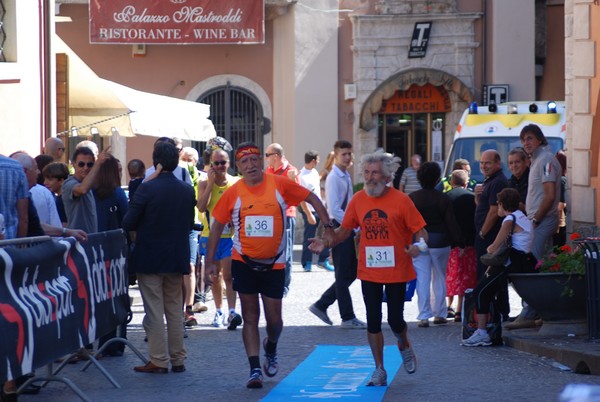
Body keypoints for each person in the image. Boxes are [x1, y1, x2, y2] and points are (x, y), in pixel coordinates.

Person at [205, 141, 332, 389]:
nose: (250, 165)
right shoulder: (234, 192)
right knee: (250, 317)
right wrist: (210, 262)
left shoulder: (279, 184)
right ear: (239, 167)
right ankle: (254, 369)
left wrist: (327, 227)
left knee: (275, 321)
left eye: (254, 159)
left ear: (261, 162)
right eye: (244, 161)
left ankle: (271, 347)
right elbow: (217, 225)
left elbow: (312, 198)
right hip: (244, 261)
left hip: (274, 264)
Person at [309, 150, 425, 386]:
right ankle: (379, 369)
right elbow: (344, 231)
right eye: (367, 172)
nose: (370, 177)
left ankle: (404, 343)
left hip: (397, 270)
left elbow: (421, 231)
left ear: (387, 177)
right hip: (369, 270)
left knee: (395, 320)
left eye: (376, 173)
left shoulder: (402, 201)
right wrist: (326, 241)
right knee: (373, 320)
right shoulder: (359, 200)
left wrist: (419, 246)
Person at [123, 141, 196, 374]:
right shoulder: (187, 190)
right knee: (174, 310)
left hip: (150, 256)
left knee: (154, 310)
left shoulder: (147, 188)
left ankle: (158, 359)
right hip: (176, 256)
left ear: (157, 162)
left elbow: (128, 221)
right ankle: (178, 358)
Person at [506, 124, 562, 330]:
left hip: (541, 220)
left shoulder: (545, 160)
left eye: (530, 138)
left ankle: (529, 313)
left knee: (531, 268)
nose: (526, 143)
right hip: (538, 219)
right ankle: (542, 311)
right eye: (523, 139)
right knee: (543, 267)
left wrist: (535, 221)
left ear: (539, 139)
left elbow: (549, 196)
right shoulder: (537, 160)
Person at [461, 188, 534, 346]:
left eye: (498, 204)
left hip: (509, 262)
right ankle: (489, 329)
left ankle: (481, 332)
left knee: (480, 291)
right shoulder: (522, 217)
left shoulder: (509, 220)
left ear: (501, 204)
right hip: (522, 260)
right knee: (489, 291)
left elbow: (495, 246)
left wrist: (488, 249)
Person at [309, 140, 367, 329]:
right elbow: (334, 209)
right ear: (336, 155)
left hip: (346, 226)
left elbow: (349, 205)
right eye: (344, 154)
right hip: (339, 227)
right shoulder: (334, 177)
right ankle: (347, 317)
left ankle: (322, 304)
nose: (348, 157)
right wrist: (354, 225)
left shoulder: (345, 175)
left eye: (350, 153)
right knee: (343, 274)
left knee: (349, 273)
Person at [409, 162, 462, 327]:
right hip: (440, 241)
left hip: (419, 241)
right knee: (440, 277)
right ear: (438, 178)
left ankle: (424, 315)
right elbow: (451, 223)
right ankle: (440, 313)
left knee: (422, 279)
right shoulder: (443, 198)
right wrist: (459, 243)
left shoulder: (412, 198)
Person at [197, 147, 242, 329]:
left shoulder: (236, 183)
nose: (220, 166)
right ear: (211, 165)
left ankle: (232, 311)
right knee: (215, 277)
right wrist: (210, 184)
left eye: (223, 162)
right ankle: (219, 311)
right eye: (216, 163)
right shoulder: (203, 183)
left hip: (230, 236)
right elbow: (201, 207)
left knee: (230, 275)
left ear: (229, 163)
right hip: (210, 236)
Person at [93, 153, 129, 356]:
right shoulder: (117, 193)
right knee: (117, 297)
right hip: (116, 253)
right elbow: (126, 220)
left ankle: (98, 341)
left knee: (99, 298)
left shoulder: (90, 191)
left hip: (95, 252)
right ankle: (116, 342)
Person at [0, 154, 29, 401]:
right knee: (9, 317)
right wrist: (20, 251)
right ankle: (10, 381)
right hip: (9, 252)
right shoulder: (14, 167)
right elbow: (23, 216)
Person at [265, 143, 300, 296]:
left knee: (285, 253)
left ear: (276, 156)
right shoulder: (269, 170)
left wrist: (292, 182)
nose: (265, 159)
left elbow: (297, 196)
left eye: (267, 155)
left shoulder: (291, 171)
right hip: (271, 215)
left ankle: (284, 286)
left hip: (286, 215)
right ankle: (272, 282)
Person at [445, 169, 478, 322]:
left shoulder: (445, 198)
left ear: (451, 182)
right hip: (470, 243)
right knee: (466, 277)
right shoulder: (472, 198)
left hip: (450, 244)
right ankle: (460, 309)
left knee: (451, 276)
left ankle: (447, 306)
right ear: (466, 183)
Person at [474, 150, 509, 280]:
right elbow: (482, 207)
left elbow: (494, 212)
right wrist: (477, 196)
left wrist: (483, 232)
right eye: (481, 163)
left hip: (489, 236)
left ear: (497, 163)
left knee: (488, 276)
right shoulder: (489, 180)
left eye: (487, 163)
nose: (483, 166)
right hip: (484, 235)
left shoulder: (497, 182)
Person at [298, 150, 333, 272]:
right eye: (317, 160)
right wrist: (308, 214)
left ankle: (323, 260)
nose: (318, 162)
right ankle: (307, 262)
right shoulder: (301, 176)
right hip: (310, 210)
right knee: (309, 236)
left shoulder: (314, 172)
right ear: (313, 161)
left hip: (320, 209)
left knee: (325, 232)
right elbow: (301, 197)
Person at [62, 146, 110, 234]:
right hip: (77, 240)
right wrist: (98, 163)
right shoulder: (69, 183)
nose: (85, 168)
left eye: (90, 164)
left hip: (90, 239)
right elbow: (82, 189)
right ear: (73, 164)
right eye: (81, 164)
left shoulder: (89, 183)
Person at [11, 152, 62, 228]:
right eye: (35, 168)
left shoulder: (43, 192)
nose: (39, 172)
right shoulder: (43, 192)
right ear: (25, 171)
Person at [553, 151, 567, 247]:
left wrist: (555, 228)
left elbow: (560, 206)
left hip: (560, 225)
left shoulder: (561, 181)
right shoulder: (563, 180)